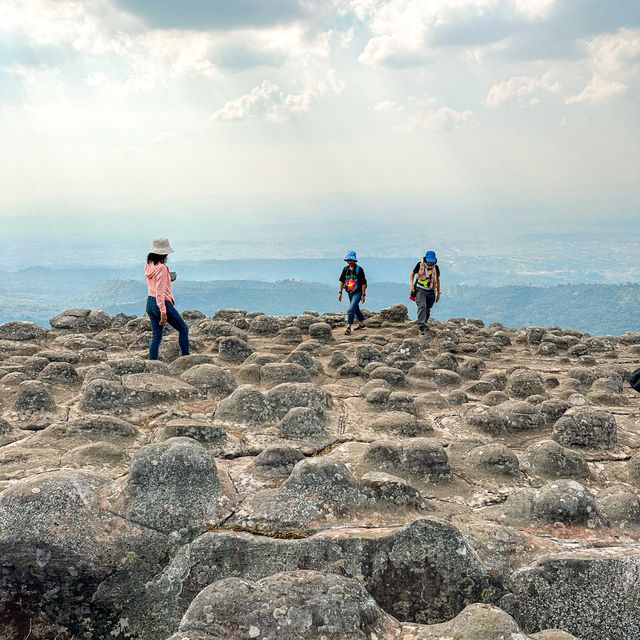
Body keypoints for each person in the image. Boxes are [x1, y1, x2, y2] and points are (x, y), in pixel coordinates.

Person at [144, 237, 190, 360]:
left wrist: (167, 278)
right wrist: (163, 312)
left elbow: (153, 283)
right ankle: (186, 359)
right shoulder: (162, 268)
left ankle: (152, 362)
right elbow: (160, 292)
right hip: (161, 303)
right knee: (183, 329)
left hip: (150, 302)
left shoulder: (149, 265)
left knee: (156, 336)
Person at [410, 250, 441, 335]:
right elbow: (412, 274)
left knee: (428, 308)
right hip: (420, 290)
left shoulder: (436, 268)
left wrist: (438, 292)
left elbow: (437, 280)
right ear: (425, 259)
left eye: (432, 262)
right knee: (422, 306)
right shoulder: (420, 265)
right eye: (429, 261)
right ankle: (421, 326)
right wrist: (411, 286)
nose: (430, 263)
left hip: (431, 291)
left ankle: (425, 322)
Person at [338, 250, 367, 335]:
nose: (350, 262)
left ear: (354, 260)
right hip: (349, 292)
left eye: (351, 260)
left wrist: (363, 295)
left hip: (357, 292)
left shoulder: (359, 269)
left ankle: (348, 327)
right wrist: (340, 292)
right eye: (348, 260)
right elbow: (342, 281)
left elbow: (363, 283)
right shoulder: (345, 269)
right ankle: (362, 323)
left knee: (351, 309)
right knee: (355, 308)